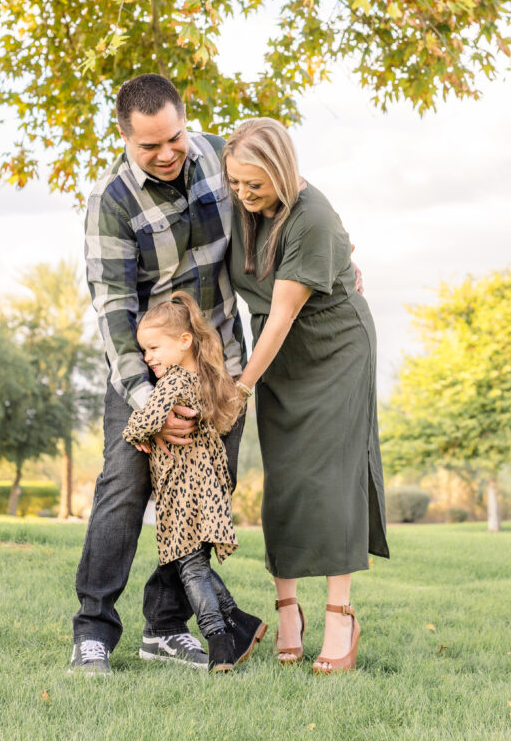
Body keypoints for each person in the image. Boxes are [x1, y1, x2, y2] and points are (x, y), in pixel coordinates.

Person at [70, 74, 263, 676]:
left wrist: (341, 251)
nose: (165, 153)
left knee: (204, 494)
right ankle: (93, 631)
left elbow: (281, 196)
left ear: (186, 120)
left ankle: (165, 627)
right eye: (148, 145)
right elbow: (113, 308)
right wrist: (149, 398)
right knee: (124, 492)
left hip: (221, 368)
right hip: (146, 373)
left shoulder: (220, 157)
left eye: (173, 137)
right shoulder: (113, 200)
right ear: (125, 137)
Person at [223, 117, 390, 673]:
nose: (244, 196)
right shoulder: (235, 194)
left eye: (256, 186)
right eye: (236, 184)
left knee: (332, 478)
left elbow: (283, 314)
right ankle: (287, 609)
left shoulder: (311, 216)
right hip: (282, 355)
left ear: (283, 172)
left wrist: (242, 387)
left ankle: (341, 614)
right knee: (287, 479)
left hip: (333, 347)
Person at [122, 292, 267, 672]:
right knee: (194, 563)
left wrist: (136, 432)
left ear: (184, 341)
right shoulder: (209, 378)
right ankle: (240, 621)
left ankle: (219, 641)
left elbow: (142, 421)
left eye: (154, 347)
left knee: (190, 567)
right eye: (144, 350)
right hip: (209, 487)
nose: (147, 357)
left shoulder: (172, 382)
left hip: (184, 490)